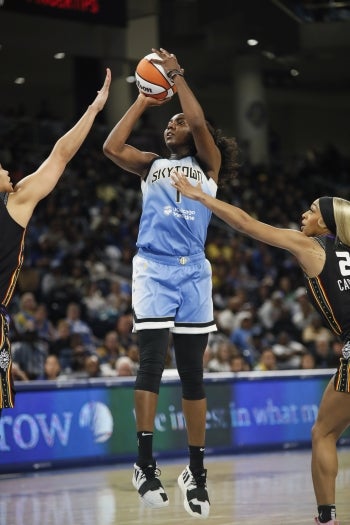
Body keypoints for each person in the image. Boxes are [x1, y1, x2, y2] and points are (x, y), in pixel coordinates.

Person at [103, 47, 238, 518]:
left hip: (195, 272)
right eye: (170, 122)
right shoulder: (152, 164)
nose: (172, 125)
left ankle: (196, 471)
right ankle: (145, 463)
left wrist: (177, 76)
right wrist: (144, 98)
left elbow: (201, 126)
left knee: (194, 375)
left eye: (176, 121)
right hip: (155, 268)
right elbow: (111, 148)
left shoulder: (208, 166)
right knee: (151, 363)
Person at [172, 173, 348, 525]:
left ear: (327, 222)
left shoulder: (312, 247)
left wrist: (201, 197)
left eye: (313, 210)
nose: (305, 215)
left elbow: (248, 224)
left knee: (323, 434)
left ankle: (326, 519)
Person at [0, 68, 111, 415]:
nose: (8, 171)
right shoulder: (14, 204)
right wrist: (93, 110)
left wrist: (92, 110)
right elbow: (59, 156)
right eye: (1, 167)